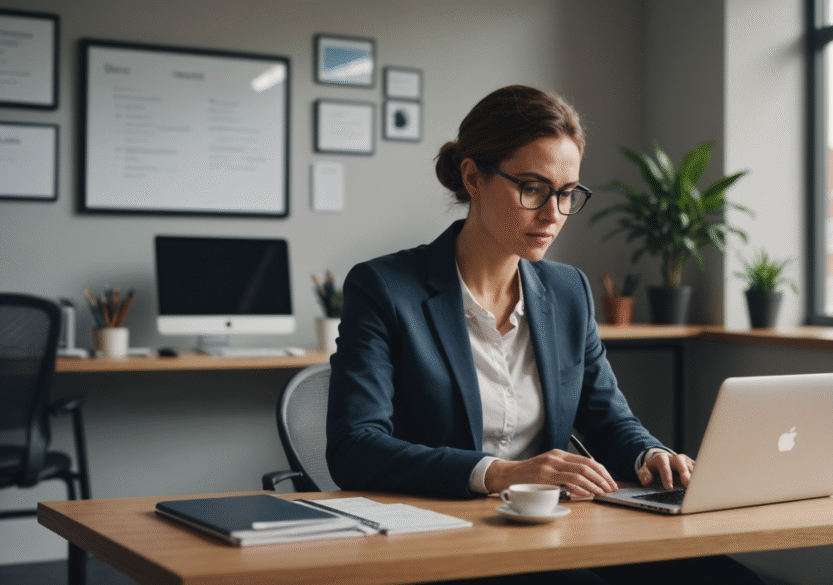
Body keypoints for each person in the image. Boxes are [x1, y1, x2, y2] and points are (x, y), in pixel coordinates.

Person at [326, 85, 763, 584]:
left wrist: (650, 455)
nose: (553, 212)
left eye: (566, 192)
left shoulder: (568, 290)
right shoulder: (385, 288)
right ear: (473, 177)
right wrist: (500, 473)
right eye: (532, 188)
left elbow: (606, 417)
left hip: (555, 532)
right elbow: (354, 447)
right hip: (446, 539)